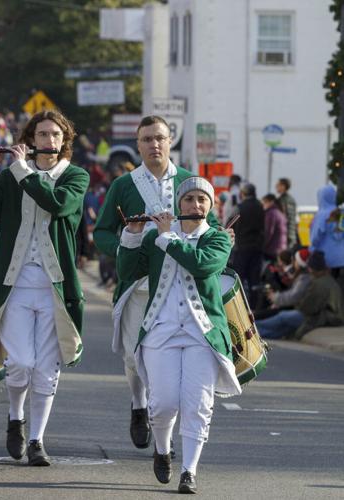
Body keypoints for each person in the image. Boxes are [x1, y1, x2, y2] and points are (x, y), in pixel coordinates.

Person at [94, 115, 224, 451]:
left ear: (170, 142)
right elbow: (102, 232)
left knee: (176, 364)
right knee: (135, 357)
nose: (155, 144)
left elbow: (212, 225)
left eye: (160, 138)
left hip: (182, 285)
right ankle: (139, 405)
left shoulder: (188, 180)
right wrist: (125, 245)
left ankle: (164, 427)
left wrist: (222, 238)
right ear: (138, 145)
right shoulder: (123, 185)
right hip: (139, 284)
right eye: (147, 139)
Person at [0, 109, 89, 466]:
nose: (49, 141)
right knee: (20, 362)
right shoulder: (10, 176)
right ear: (30, 140)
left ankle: (37, 438)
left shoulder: (76, 176)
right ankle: (16, 417)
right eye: (42, 135)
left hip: (56, 284)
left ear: (63, 140)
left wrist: (22, 171)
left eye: (55, 135)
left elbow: (57, 204)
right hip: (16, 281)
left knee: (46, 367)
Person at [117, 176, 240, 494]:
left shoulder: (217, 239)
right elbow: (129, 271)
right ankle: (161, 449)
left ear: (210, 206)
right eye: (189, 199)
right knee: (164, 403)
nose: (195, 205)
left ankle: (189, 471)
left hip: (203, 333)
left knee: (197, 403)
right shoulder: (156, 237)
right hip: (161, 330)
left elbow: (201, 265)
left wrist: (167, 237)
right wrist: (132, 236)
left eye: (202, 200)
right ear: (178, 204)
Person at [256, 250, 344, 339]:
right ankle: (257, 333)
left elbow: (308, 306)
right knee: (283, 329)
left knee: (282, 317)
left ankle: (255, 328)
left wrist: (295, 304)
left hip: (322, 317)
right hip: (326, 316)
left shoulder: (319, 283)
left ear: (313, 268)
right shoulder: (326, 280)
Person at [230, 183, 264, 303]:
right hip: (258, 246)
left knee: (240, 276)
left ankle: (240, 304)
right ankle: (255, 304)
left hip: (242, 246)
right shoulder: (261, 206)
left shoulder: (239, 207)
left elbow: (230, 224)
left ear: (243, 193)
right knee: (254, 277)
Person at [309, 185, 344, 293]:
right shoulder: (341, 213)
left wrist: (312, 248)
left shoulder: (322, 215)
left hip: (326, 259)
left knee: (327, 289)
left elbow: (316, 236)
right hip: (342, 258)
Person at [261, 193, 286, 263]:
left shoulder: (271, 213)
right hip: (280, 247)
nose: (263, 205)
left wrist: (263, 246)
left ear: (271, 202)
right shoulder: (279, 211)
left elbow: (268, 232)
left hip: (272, 249)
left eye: (265, 202)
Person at [275, 178, 297, 249]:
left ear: (283, 186)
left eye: (278, 185)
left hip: (287, 236)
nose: (276, 186)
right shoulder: (280, 199)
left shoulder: (289, 200)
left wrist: (290, 237)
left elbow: (291, 219)